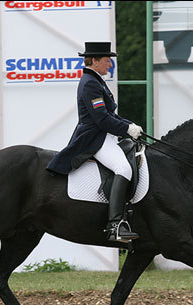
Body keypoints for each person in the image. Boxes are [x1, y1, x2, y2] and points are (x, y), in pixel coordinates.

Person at [46, 42, 142, 243]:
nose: (110, 65)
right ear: (95, 61)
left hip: (105, 136)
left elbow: (109, 114)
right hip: (95, 139)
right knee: (124, 169)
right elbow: (102, 119)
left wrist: (130, 125)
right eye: (107, 61)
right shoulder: (90, 83)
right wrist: (126, 129)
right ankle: (115, 224)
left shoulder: (96, 80)